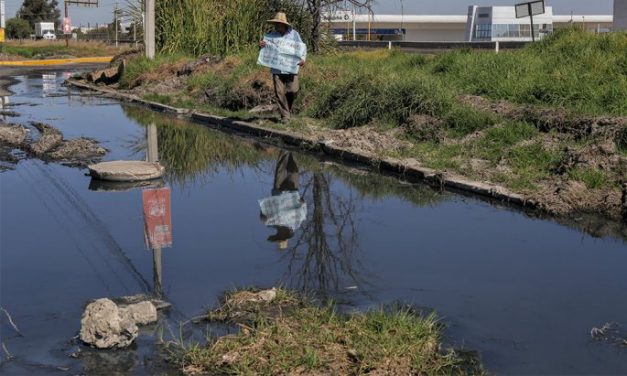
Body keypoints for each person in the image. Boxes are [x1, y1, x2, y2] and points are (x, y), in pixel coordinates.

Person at [259, 12, 307, 123]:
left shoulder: (294, 34)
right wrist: (261, 46)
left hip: (291, 67)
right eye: (275, 23)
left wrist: (303, 59)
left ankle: (287, 111)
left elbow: (302, 48)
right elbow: (264, 51)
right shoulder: (271, 35)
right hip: (276, 68)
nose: (276, 25)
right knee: (279, 92)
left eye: (278, 23)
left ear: (284, 24)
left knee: (293, 90)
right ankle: (285, 116)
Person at [259, 151, 307, 250]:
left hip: (278, 191)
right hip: (292, 192)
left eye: (279, 236)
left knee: (280, 170)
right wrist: (303, 203)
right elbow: (303, 212)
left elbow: (263, 215)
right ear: (287, 235)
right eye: (282, 236)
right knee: (294, 172)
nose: (281, 234)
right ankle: (291, 151)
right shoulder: (295, 224)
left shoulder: (273, 223)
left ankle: (283, 149)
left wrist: (263, 217)